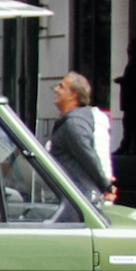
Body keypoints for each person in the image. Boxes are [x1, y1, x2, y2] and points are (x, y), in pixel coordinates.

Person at [47, 70, 116, 202]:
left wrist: (106, 186)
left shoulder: (74, 123)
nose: (56, 89)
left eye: (61, 86)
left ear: (73, 95)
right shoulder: (76, 119)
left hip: (78, 197)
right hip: (75, 195)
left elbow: (87, 155)